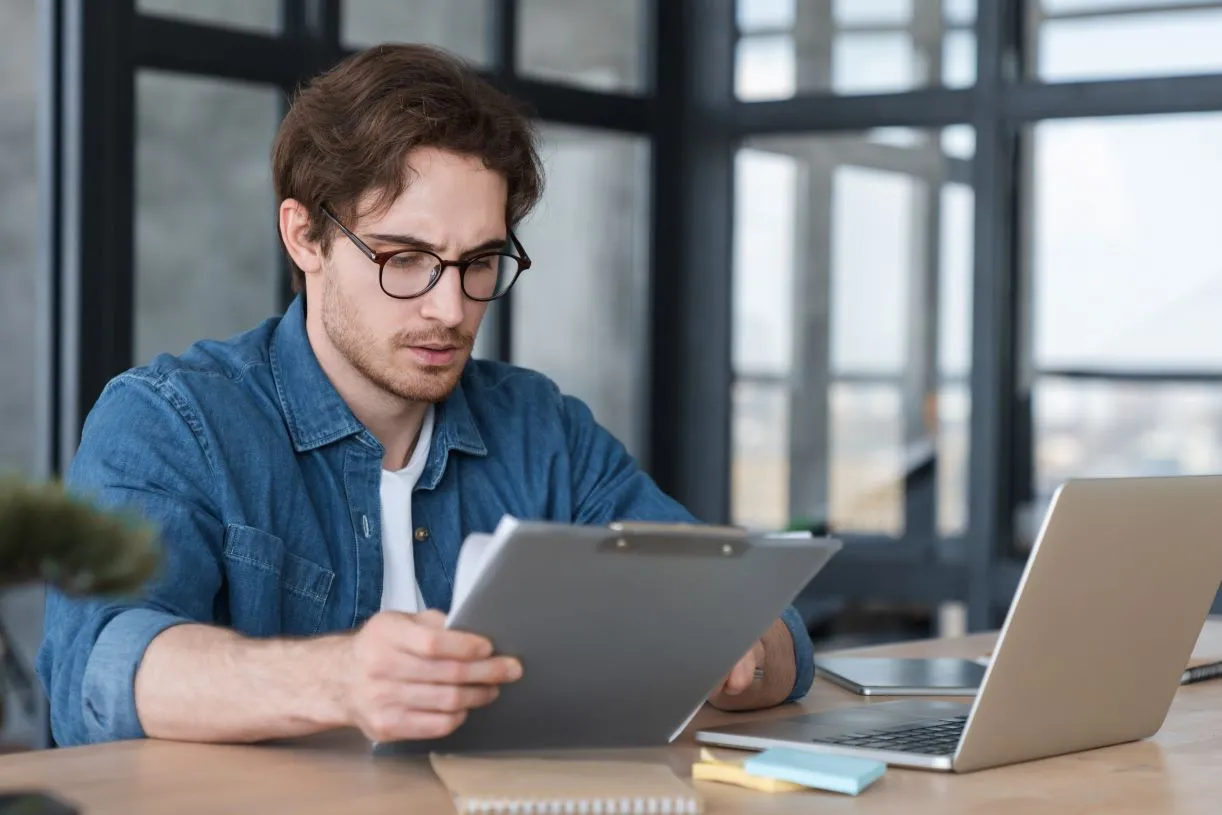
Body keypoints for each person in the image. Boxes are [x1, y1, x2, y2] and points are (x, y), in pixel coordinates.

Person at [36, 43, 815, 748]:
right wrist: (338, 678)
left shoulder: (541, 429)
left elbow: (777, 631)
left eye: (480, 261)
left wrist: (740, 646)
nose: (451, 307)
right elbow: (96, 672)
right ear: (304, 236)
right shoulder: (172, 418)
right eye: (405, 259)